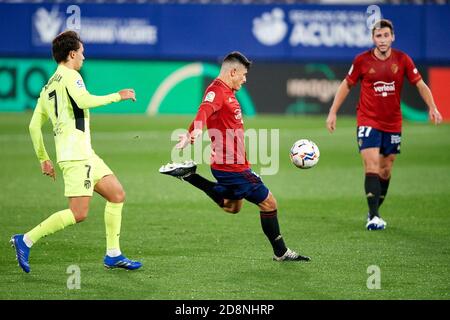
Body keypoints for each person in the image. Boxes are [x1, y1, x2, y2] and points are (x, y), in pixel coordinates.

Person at [10, 30, 142, 273]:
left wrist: (44, 159)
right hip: (75, 156)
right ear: (72, 54)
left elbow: (33, 126)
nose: (84, 57)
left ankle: (113, 254)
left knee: (116, 194)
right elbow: (84, 101)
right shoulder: (72, 75)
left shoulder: (48, 86)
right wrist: (118, 96)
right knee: (78, 213)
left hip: (84, 153)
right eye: (82, 52)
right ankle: (25, 240)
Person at [159, 51, 310, 262]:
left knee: (232, 206)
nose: (245, 79)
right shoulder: (217, 92)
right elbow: (204, 111)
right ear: (233, 72)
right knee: (269, 203)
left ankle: (190, 175)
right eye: (244, 75)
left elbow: (205, 113)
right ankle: (281, 252)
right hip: (233, 167)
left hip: (228, 165)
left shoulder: (225, 91)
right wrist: (194, 132)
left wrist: (191, 130)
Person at [326, 19, 442, 230]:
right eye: (378, 36)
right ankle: (374, 216)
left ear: (392, 37)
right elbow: (346, 85)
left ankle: (373, 210)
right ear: (373, 38)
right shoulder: (362, 60)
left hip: (393, 122)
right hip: (368, 119)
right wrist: (333, 112)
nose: (382, 40)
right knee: (371, 165)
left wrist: (433, 107)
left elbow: (420, 84)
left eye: (386, 35)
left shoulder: (403, 59)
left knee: (386, 169)